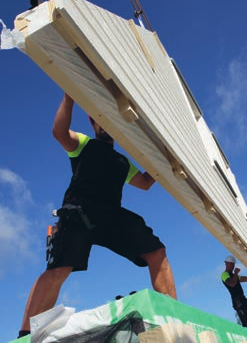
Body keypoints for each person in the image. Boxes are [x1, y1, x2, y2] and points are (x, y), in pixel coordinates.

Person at [18, 93, 177, 338]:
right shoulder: (83, 144)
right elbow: (59, 133)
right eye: (100, 120)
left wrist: (166, 158)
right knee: (60, 269)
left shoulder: (123, 161)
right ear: (94, 122)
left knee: (157, 252)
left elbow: (145, 182)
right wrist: (69, 95)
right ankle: (26, 335)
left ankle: (171, 320)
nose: (106, 125)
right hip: (80, 211)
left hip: (111, 214)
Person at [221, 255, 247, 332]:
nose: (233, 266)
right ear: (226, 263)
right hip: (237, 300)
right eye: (231, 264)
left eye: (233, 264)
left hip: (242, 298)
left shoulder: (235, 276)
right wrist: (236, 273)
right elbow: (232, 283)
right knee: (245, 320)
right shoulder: (224, 274)